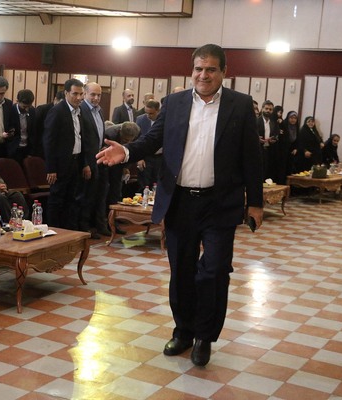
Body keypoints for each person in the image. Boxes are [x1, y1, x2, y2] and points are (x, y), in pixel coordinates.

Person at [96, 44, 263, 367]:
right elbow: (152, 140)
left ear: (224, 72)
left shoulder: (240, 105)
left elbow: (252, 157)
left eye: (211, 69)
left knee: (214, 272)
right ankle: (184, 331)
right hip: (180, 202)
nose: (204, 75)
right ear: (192, 71)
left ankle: (205, 337)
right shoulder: (174, 103)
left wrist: (255, 202)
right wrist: (127, 152)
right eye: (199, 69)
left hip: (220, 203)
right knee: (182, 271)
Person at [43, 78, 92, 229]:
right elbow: (49, 141)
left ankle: (68, 231)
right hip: (60, 164)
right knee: (57, 200)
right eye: (74, 94)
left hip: (76, 161)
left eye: (81, 94)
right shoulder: (57, 111)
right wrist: (51, 168)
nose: (78, 97)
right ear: (66, 93)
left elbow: (81, 138)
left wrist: (84, 164)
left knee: (72, 199)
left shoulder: (80, 112)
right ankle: (54, 231)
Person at [79, 82, 110, 238]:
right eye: (93, 94)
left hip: (100, 158)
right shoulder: (81, 110)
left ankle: (100, 225)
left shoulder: (100, 111)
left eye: (99, 95)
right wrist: (85, 162)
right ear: (85, 94)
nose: (96, 98)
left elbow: (98, 134)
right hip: (87, 160)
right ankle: (85, 227)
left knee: (101, 194)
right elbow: (82, 139)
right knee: (88, 196)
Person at [3, 89, 38, 162]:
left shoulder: (32, 111)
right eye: (24, 107)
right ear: (17, 101)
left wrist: (31, 152)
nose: (27, 109)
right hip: (13, 149)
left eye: (29, 106)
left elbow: (33, 132)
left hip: (27, 149)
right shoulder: (10, 111)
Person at [135, 99, 161, 190]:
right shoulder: (140, 120)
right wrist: (139, 158)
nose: (148, 116)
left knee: (158, 185)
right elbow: (137, 140)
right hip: (145, 157)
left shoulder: (165, 120)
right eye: (146, 113)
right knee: (144, 185)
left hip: (160, 158)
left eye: (151, 113)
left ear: (158, 111)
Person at [35, 90, 64, 159]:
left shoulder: (64, 111)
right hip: (41, 146)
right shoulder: (42, 109)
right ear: (55, 99)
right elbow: (35, 129)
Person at [257, 100, 278, 181]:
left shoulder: (273, 122)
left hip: (269, 149)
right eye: (266, 108)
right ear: (262, 109)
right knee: (259, 171)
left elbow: (276, 134)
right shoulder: (256, 121)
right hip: (258, 149)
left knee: (268, 171)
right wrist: (257, 139)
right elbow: (250, 134)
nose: (268, 111)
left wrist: (274, 139)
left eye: (270, 109)